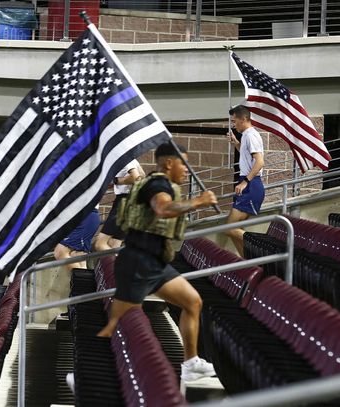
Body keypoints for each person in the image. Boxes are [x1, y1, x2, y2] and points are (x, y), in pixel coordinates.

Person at [97, 142, 218, 382]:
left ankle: (191, 363)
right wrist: (198, 202)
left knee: (193, 302)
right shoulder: (158, 184)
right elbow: (162, 209)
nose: (186, 169)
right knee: (119, 325)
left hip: (155, 263)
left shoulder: (158, 182)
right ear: (169, 163)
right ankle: (84, 375)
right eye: (183, 162)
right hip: (138, 263)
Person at [225, 105, 265, 257]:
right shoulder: (246, 136)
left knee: (229, 228)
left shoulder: (251, 135)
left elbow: (259, 162)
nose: (233, 125)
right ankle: (247, 262)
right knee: (234, 229)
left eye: (235, 121)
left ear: (244, 119)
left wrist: (245, 182)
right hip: (248, 183)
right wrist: (235, 143)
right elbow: (247, 155)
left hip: (251, 184)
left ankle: (266, 249)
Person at [92, 160, 144, 252]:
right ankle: (120, 265)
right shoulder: (133, 160)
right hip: (130, 202)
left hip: (124, 201)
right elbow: (142, 175)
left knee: (100, 244)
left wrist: (116, 181)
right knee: (114, 244)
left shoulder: (126, 160)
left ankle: (122, 266)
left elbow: (137, 178)